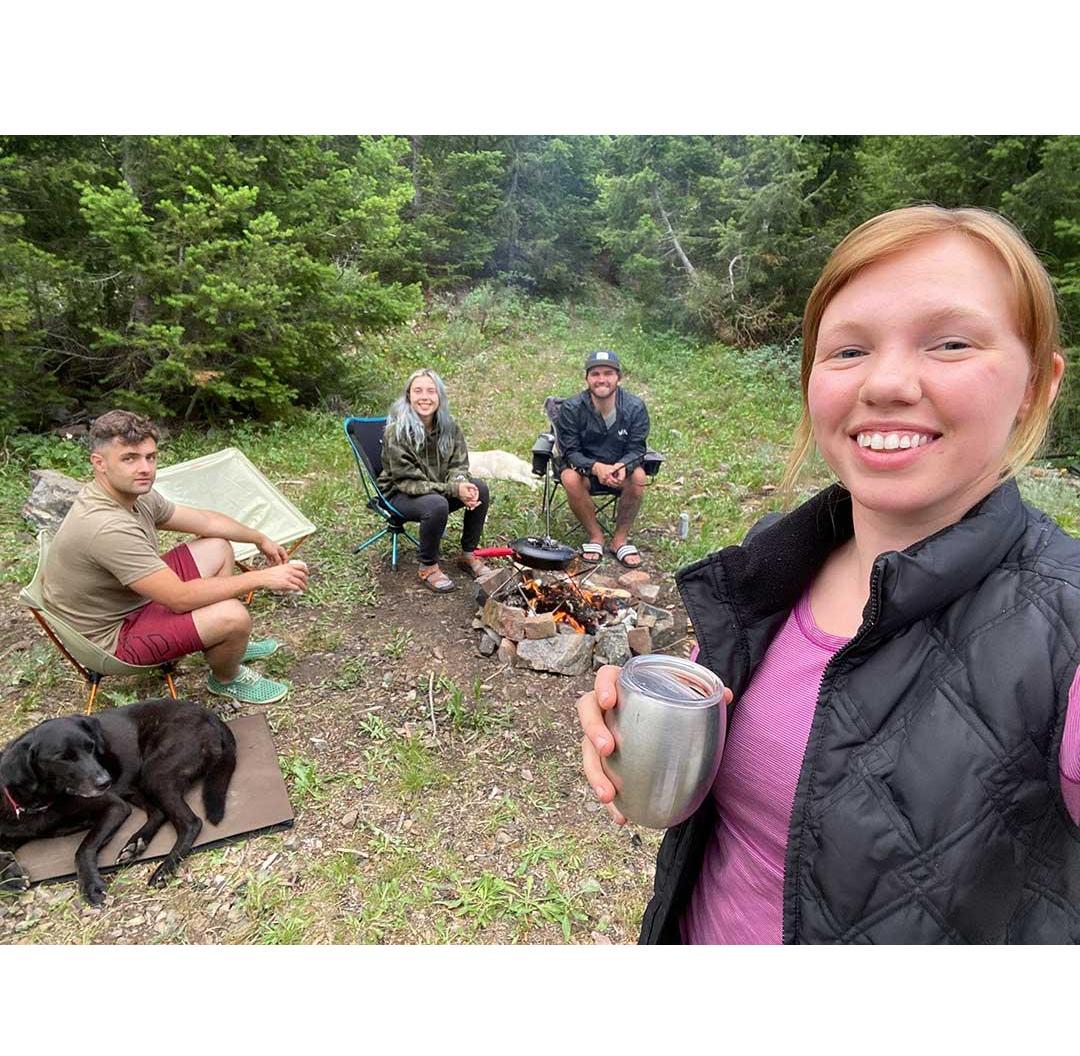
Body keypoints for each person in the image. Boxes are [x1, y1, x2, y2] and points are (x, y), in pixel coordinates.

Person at [578, 206, 1080, 944]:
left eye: (949, 342)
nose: (886, 382)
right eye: (848, 351)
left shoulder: (1064, 630)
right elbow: (753, 807)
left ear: (1036, 386)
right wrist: (650, 743)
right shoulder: (775, 566)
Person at [44, 410, 308, 705]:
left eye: (150, 457)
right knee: (234, 616)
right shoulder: (105, 526)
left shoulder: (135, 494)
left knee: (218, 545)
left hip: (129, 600)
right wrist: (262, 577)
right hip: (111, 639)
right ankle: (226, 677)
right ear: (99, 463)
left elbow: (205, 522)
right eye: (129, 458)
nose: (145, 468)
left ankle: (222, 643)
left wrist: (258, 537)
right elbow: (180, 598)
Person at [376, 368, 489, 593]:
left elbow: (459, 465)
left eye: (431, 391)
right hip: (400, 493)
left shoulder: (449, 426)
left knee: (480, 488)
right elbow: (410, 482)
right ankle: (428, 565)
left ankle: (468, 554)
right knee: (437, 504)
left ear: (440, 397)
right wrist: (453, 489)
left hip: (436, 489)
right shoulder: (396, 432)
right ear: (409, 396)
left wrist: (461, 484)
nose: (425, 397)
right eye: (418, 391)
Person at [556, 350, 650, 568]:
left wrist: (622, 466)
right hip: (585, 472)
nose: (601, 379)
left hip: (620, 471)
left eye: (608, 373)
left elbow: (638, 448)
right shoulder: (571, 408)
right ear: (587, 378)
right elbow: (570, 451)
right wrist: (595, 467)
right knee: (569, 477)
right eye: (595, 374)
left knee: (639, 475)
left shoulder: (635, 407)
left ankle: (620, 540)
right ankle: (595, 536)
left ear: (619, 377)